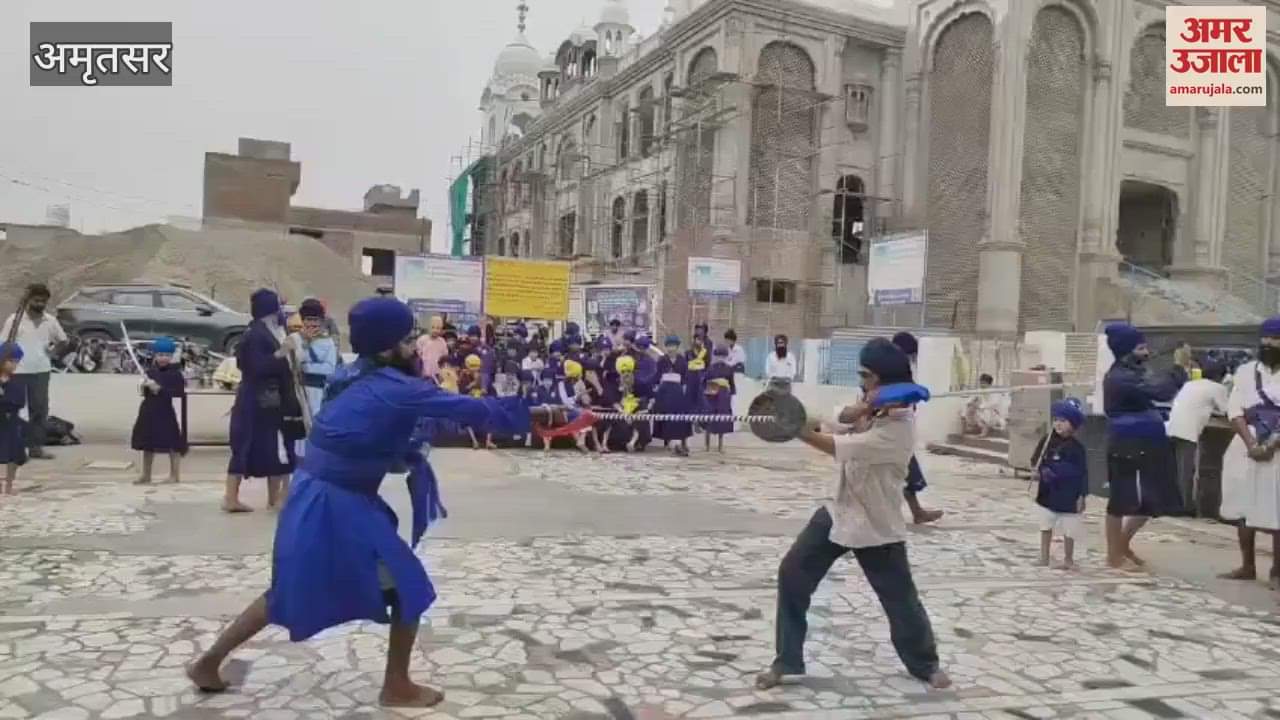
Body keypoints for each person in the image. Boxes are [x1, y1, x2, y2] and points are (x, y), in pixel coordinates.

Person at [187, 297, 561, 708]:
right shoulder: (392, 387)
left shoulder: (351, 375)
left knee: (288, 591)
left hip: (321, 495)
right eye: (408, 338)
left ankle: (209, 662)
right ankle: (396, 685)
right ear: (387, 346)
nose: (415, 345)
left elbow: (362, 436)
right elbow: (471, 409)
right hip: (335, 504)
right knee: (407, 588)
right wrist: (542, 413)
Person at [756, 338, 948, 691]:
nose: (861, 380)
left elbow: (839, 447)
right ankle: (787, 659)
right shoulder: (867, 407)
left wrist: (794, 431)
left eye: (866, 375)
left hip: (876, 523)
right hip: (839, 509)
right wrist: (834, 414)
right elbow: (837, 421)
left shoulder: (899, 429)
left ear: (883, 380)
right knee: (792, 573)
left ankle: (925, 664)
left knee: (900, 600)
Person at [1102, 323, 1183, 570]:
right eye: (1141, 347)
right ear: (1126, 351)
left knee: (1151, 499)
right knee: (1121, 500)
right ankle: (1113, 556)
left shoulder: (1136, 372)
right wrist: (1179, 367)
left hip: (1149, 442)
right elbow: (1161, 391)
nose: (1146, 352)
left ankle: (1123, 544)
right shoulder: (1120, 377)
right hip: (1127, 443)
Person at [224, 289, 299, 513]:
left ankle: (273, 499)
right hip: (258, 399)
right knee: (246, 446)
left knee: (274, 448)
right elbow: (255, 367)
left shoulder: (268, 329)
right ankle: (232, 499)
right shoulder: (256, 334)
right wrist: (281, 353)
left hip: (267, 399)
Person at [1219, 318, 1280, 588]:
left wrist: (1271, 445)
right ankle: (1247, 565)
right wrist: (1252, 445)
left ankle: (1278, 570)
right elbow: (1235, 411)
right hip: (1247, 445)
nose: (1269, 344)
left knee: (1277, 506)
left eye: (1275, 339)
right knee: (1243, 504)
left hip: (1276, 447)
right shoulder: (1245, 372)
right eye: (1266, 339)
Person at [0, 283, 68, 460]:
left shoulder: (50, 321)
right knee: (12, 410)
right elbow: (5, 345)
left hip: (41, 371)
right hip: (17, 371)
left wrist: (53, 354)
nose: (40, 304)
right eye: (36, 300)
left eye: (43, 301)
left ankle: (36, 447)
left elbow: (63, 341)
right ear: (29, 300)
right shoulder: (14, 320)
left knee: (39, 410)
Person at [888, 332, 944, 525]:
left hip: (900, 428)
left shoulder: (897, 368)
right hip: (888, 429)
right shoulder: (889, 369)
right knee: (899, 472)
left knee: (906, 473)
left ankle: (917, 511)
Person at [1031, 399, 1088, 569]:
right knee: (1045, 526)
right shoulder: (1046, 441)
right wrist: (1041, 470)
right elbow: (1036, 459)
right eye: (1056, 419)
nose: (1058, 424)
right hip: (1048, 492)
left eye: (1063, 420)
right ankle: (1044, 557)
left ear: (1073, 425)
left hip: (1069, 494)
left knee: (1069, 529)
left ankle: (1068, 559)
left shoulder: (1078, 448)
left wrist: (1082, 495)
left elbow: (1083, 473)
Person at [1166, 361, 1229, 515]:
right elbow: (1228, 410)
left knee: (1175, 470)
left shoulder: (1190, 384)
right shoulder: (1217, 387)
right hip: (1187, 432)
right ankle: (1184, 508)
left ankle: (1172, 505)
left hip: (1171, 428)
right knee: (1186, 471)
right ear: (1219, 377)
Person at [130, 336, 187, 485]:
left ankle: (175, 475)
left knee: (173, 443)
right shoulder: (150, 372)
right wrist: (144, 386)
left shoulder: (175, 374)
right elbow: (143, 393)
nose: (163, 358)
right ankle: (146, 475)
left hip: (165, 411)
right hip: (149, 410)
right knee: (147, 443)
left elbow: (179, 393)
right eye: (160, 355)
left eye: (167, 356)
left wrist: (160, 389)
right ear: (155, 355)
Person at [653, 336, 692, 456]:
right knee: (666, 415)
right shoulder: (662, 360)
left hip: (678, 391)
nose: (671, 348)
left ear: (677, 347)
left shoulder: (682, 361)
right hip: (664, 390)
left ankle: (682, 441)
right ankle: (668, 441)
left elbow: (685, 378)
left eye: (673, 346)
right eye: (669, 346)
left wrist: (685, 390)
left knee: (680, 417)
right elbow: (657, 376)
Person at [0, 342, 27, 495]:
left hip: (12, 421)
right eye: (11, 361)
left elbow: (19, 401)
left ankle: (9, 483)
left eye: (16, 362)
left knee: (14, 453)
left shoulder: (16, 381)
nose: (14, 365)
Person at [703, 345, 736, 452]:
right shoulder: (710, 368)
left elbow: (731, 383)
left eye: (723, 356)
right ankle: (707, 445)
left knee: (722, 420)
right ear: (715, 357)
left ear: (726, 357)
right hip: (711, 393)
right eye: (718, 356)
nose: (720, 358)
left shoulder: (729, 369)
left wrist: (732, 394)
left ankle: (720, 446)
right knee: (709, 419)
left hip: (724, 395)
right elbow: (704, 381)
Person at [416, 316, 450, 382]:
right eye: (433, 327)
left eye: (438, 328)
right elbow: (418, 357)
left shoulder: (442, 342)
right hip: (424, 374)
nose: (435, 330)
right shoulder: (422, 340)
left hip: (438, 374)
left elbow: (445, 357)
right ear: (429, 327)